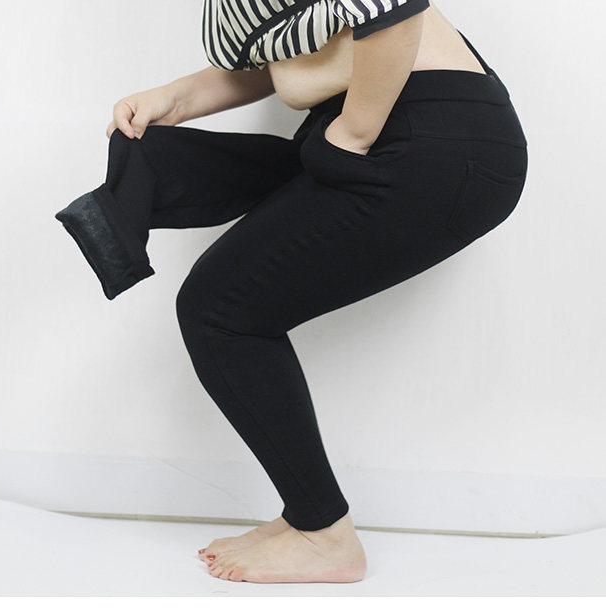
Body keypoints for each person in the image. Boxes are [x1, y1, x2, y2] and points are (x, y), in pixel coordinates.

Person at [54, 0, 528, 584]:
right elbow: (297, 50)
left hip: (426, 134)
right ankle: (308, 518)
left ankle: (323, 534)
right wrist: (175, 98)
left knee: (220, 309)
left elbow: (394, 10)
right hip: (417, 128)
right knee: (221, 306)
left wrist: (352, 133)